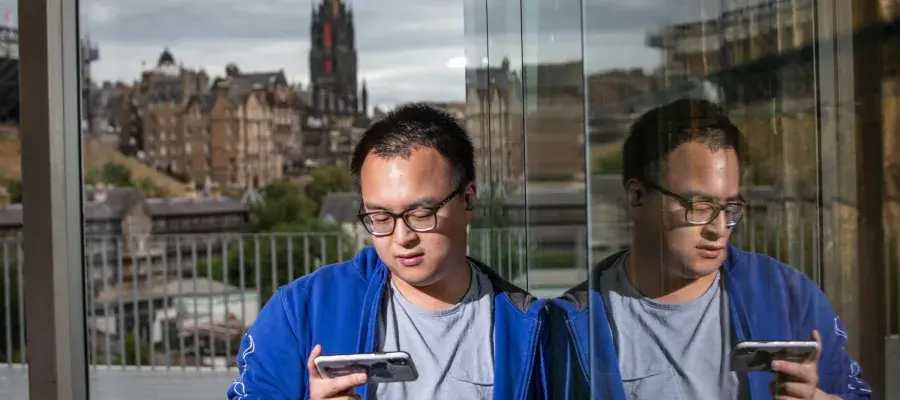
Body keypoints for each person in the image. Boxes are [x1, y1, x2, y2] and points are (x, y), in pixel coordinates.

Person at [547, 99, 871, 399]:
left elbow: (856, 392)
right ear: (637, 197)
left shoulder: (786, 296)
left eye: (730, 207)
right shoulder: (574, 328)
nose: (718, 228)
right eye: (699, 205)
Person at [226, 103, 548, 400]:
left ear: (468, 199)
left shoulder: (532, 333)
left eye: (421, 214)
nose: (401, 236)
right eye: (379, 218)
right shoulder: (299, 313)